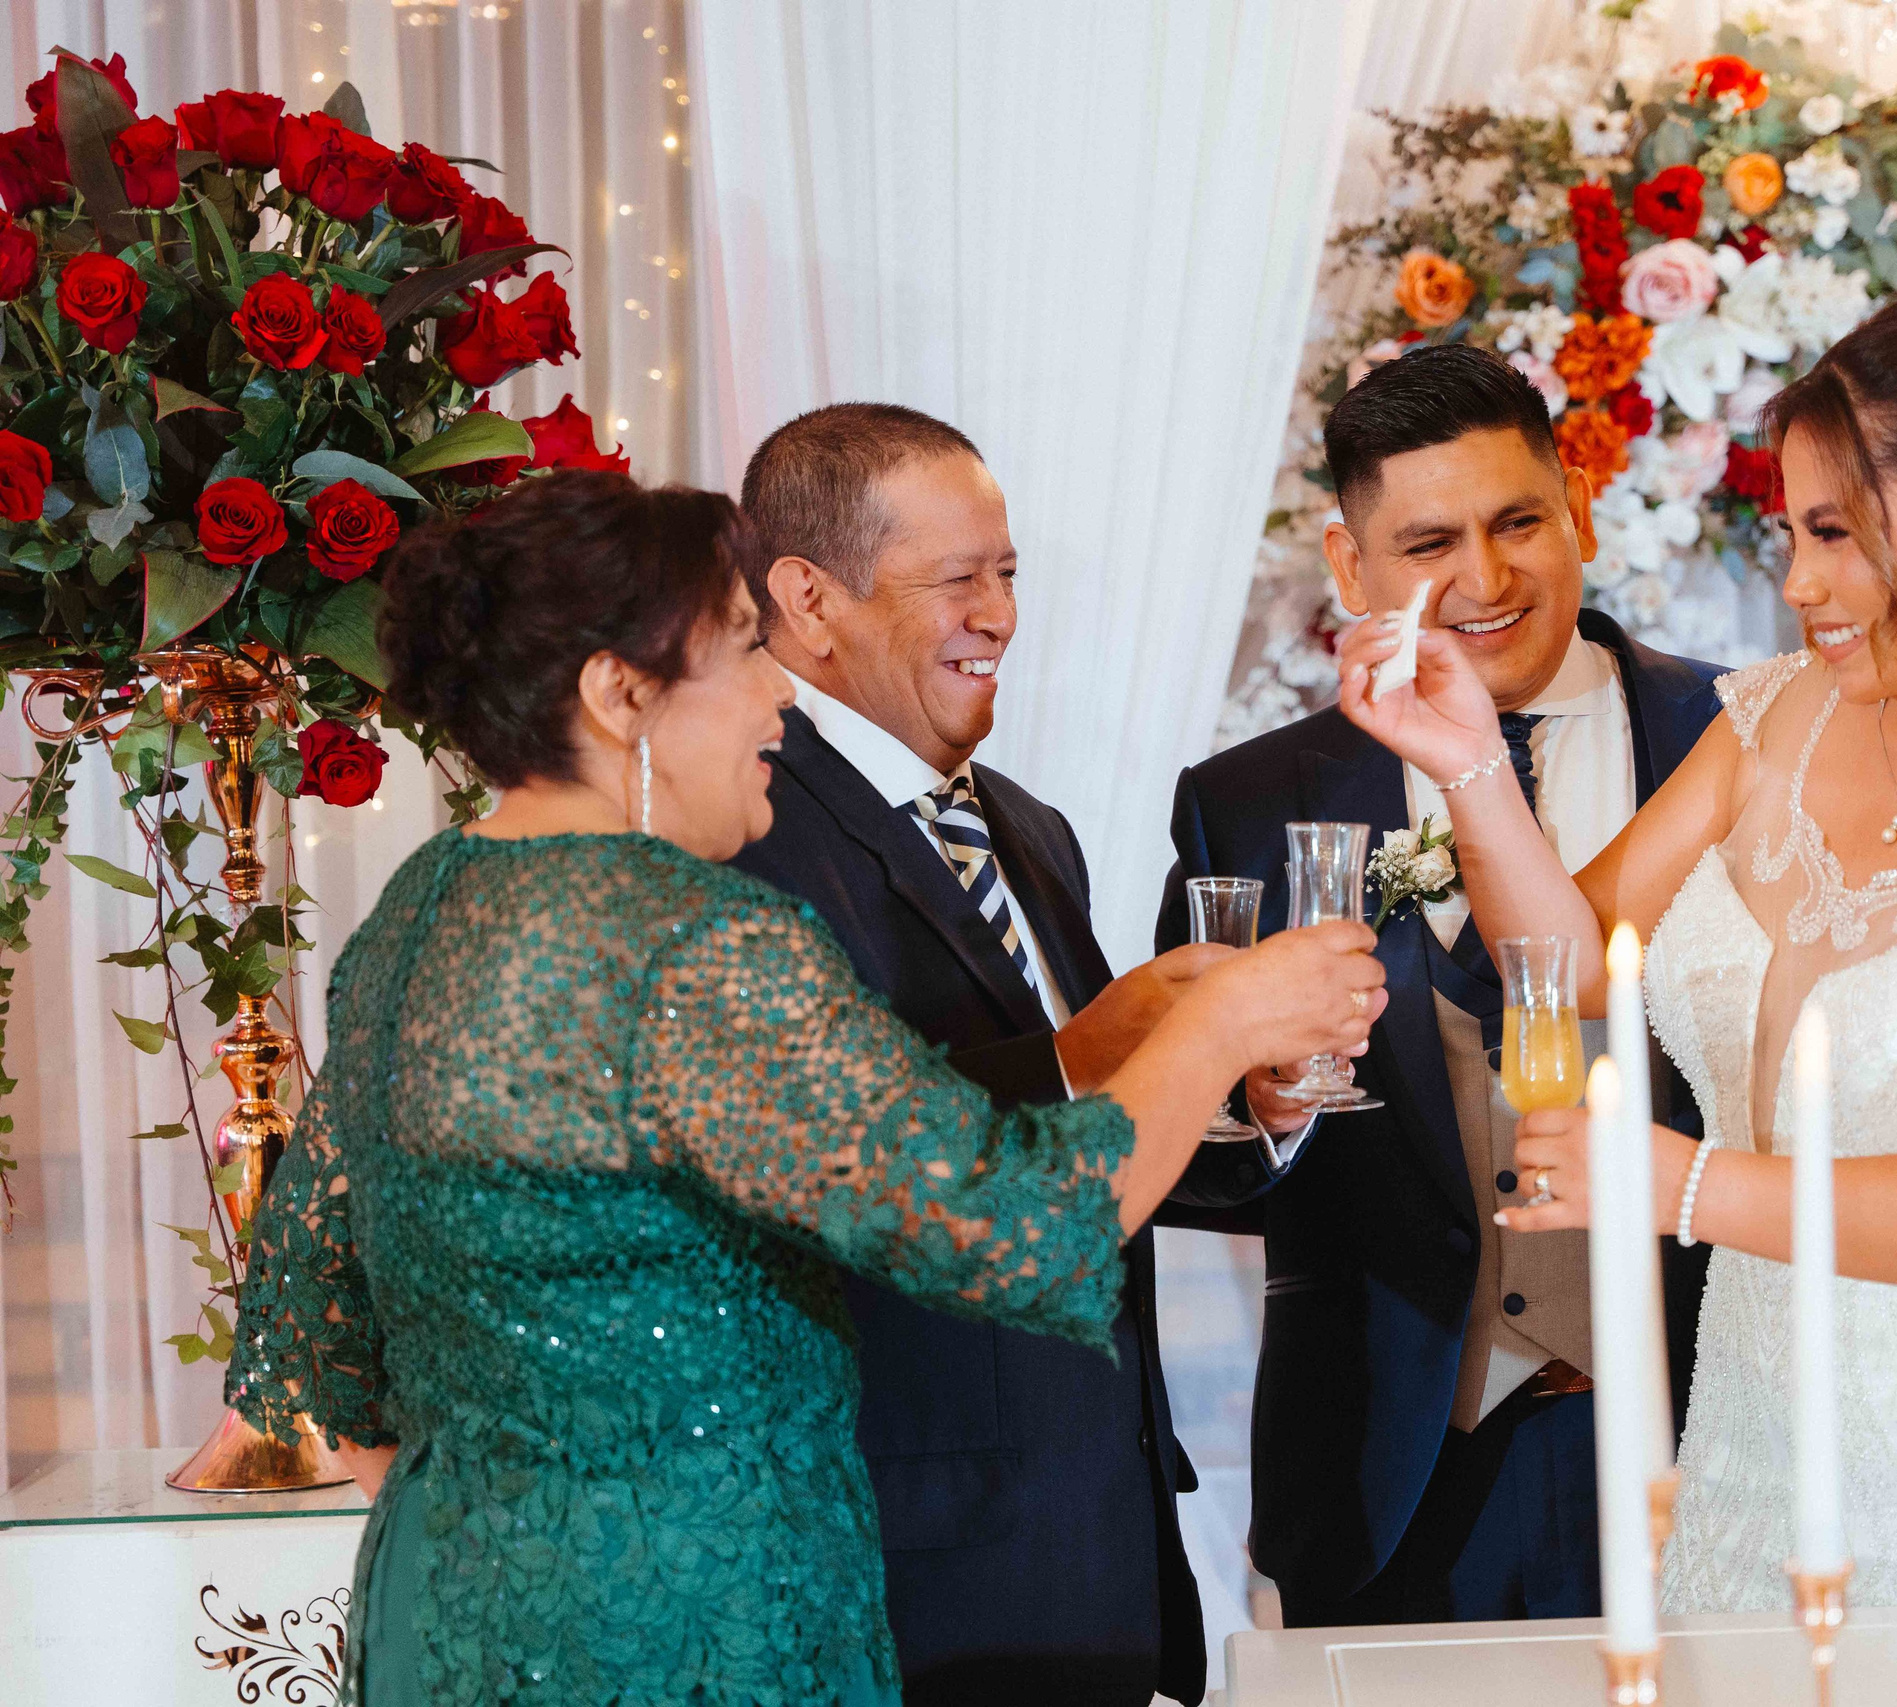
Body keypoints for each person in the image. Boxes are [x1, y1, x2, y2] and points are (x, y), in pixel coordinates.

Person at [222, 471, 1386, 1706]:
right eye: (740, 649)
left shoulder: (405, 921)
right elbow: (1024, 1230)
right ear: (622, 696)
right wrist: (1220, 1025)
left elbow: (322, 1347)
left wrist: (513, 1540)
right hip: (694, 1633)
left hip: (445, 1620)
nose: (780, 691)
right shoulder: (689, 938)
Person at [1337, 255, 1897, 1612]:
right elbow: (1582, 954)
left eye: (1836, 534)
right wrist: (1469, 762)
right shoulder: (1777, 716)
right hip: (1764, 1443)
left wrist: (1684, 1184)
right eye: (1792, 534)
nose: (1798, 581)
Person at [1156, 343, 1727, 1626]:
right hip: (1389, 1471)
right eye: (1427, 543)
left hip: (1711, 1441)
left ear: (1577, 501)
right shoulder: (1251, 804)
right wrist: (1265, 1103)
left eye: (1518, 520)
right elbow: (1179, 1151)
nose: (1484, 577)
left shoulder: (1732, 737)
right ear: (1350, 566)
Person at [729, 403, 1270, 1704]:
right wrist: (1105, 1050)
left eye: (1009, 572)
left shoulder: (1028, 826)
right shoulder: (744, 827)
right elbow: (833, 1174)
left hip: (1096, 1542)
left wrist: (1248, 1092)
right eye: (957, 577)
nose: (1001, 613)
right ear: (808, 596)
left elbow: (1106, 1153)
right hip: (908, 1569)